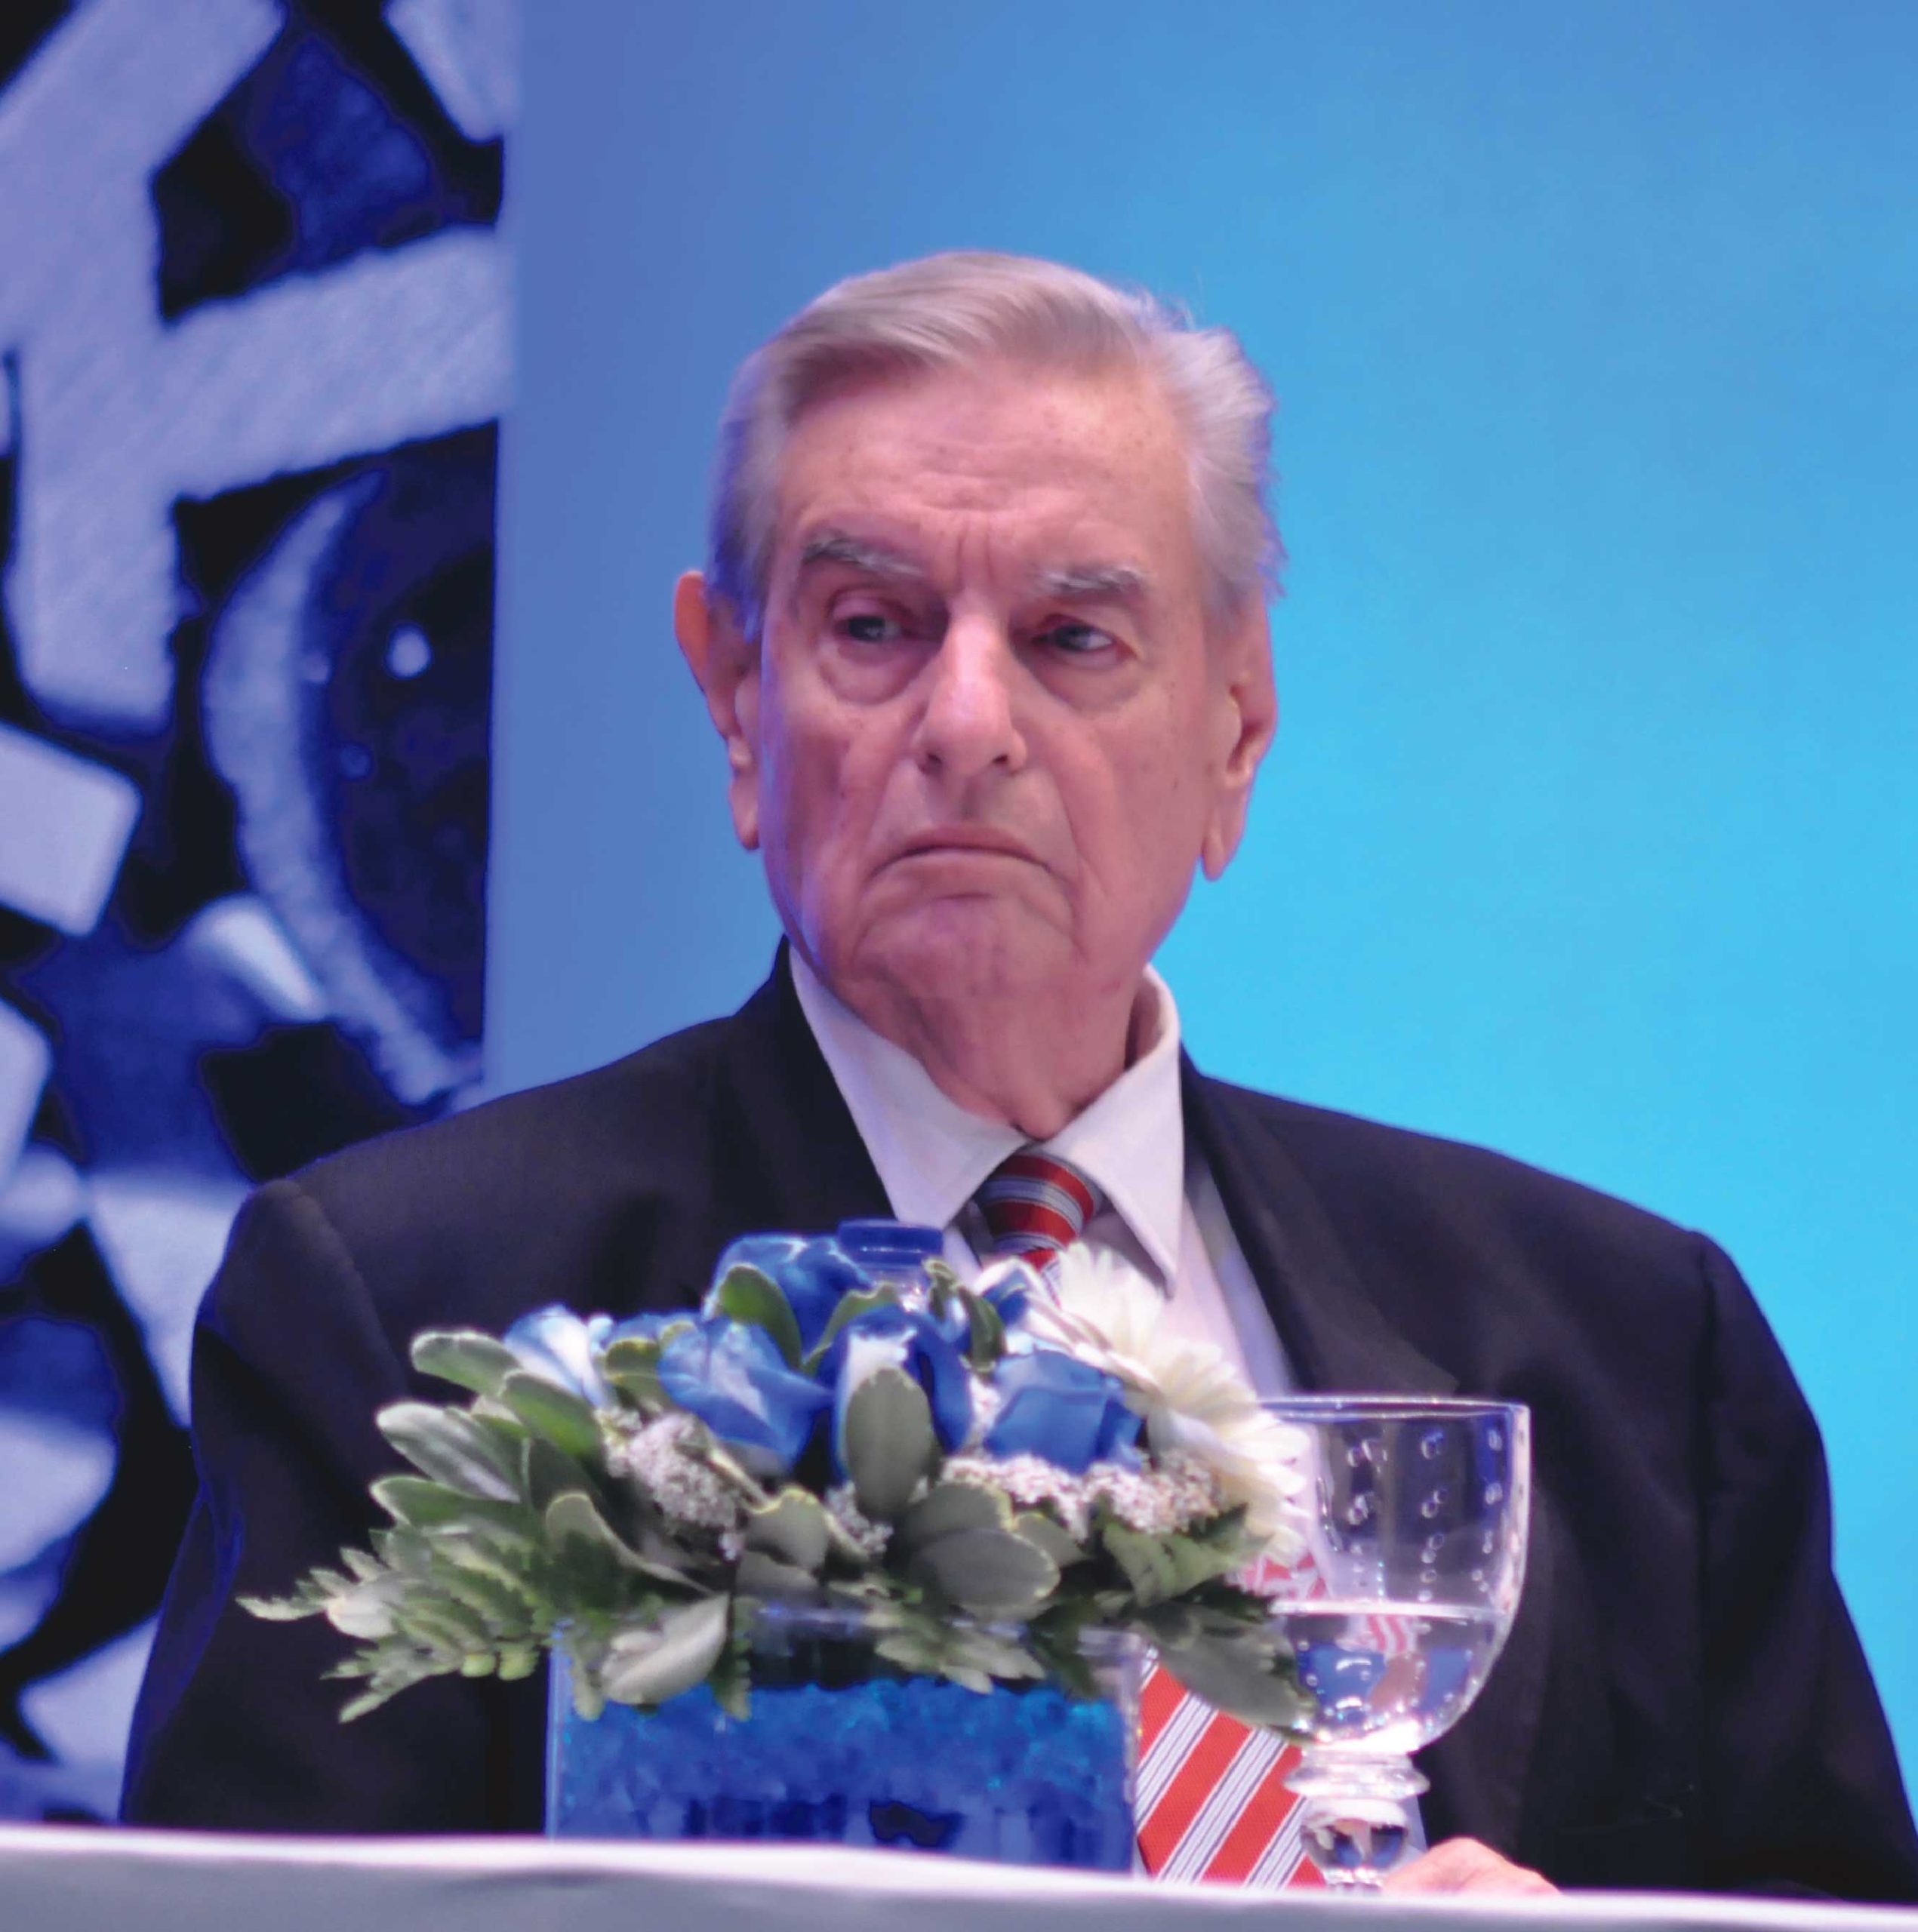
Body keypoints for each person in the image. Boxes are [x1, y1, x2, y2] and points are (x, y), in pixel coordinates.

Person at [122, 252, 1918, 1897]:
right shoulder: (401, 1314)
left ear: (1234, 725)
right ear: (736, 696)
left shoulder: (1631, 1351)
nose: (967, 723)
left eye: (1071, 639)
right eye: (873, 625)